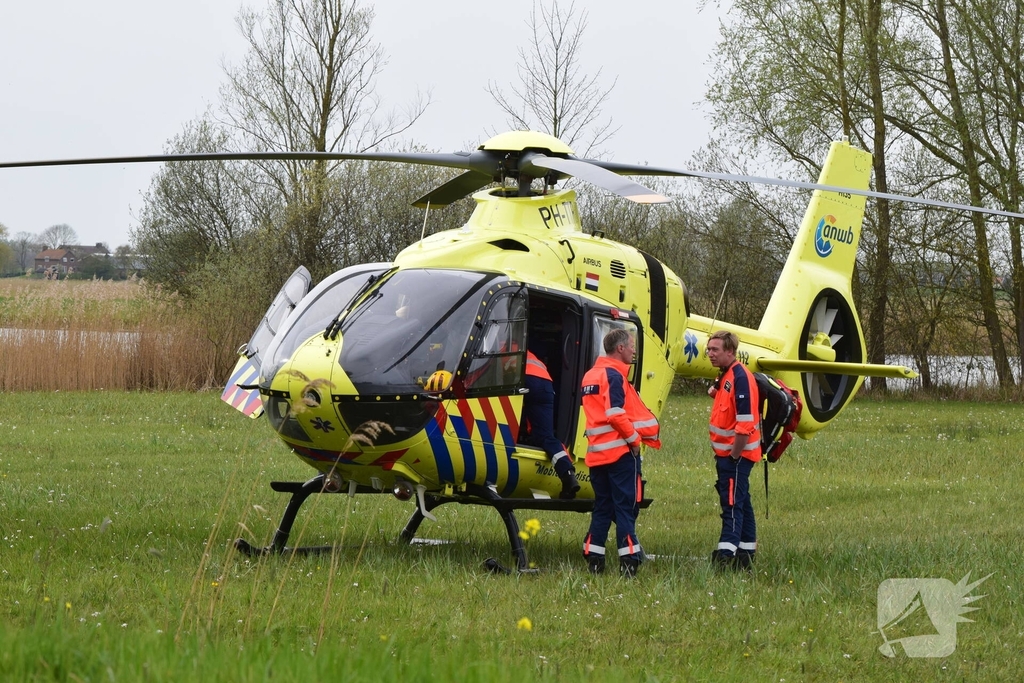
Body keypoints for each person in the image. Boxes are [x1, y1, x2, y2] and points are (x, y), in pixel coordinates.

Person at [580, 329, 661, 577]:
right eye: (632, 346)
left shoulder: (590, 376)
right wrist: (634, 440)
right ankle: (629, 563)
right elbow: (615, 413)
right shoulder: (613, 375)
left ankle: (595, 560)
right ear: (620, 349)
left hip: (597, 455)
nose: (634, 351)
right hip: (619, 454)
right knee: (625, 508)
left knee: (602, 507)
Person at [706, 330, 761, 570]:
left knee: (731, 505)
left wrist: (735, 455)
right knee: (742, 503)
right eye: (708, 349)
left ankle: (725, 555)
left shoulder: (740, 377)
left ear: (730, 351)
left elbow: (745, 423)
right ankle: (746, 556)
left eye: (715, 350)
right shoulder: (726, 375)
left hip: (735, 456)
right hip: (727, 455)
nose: (710, 354)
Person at [521, 350, 581, 499]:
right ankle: (567, 474)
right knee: (545, 436)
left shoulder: (496, 341)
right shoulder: (529, 353)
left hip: (524, 378)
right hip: (545, 383)